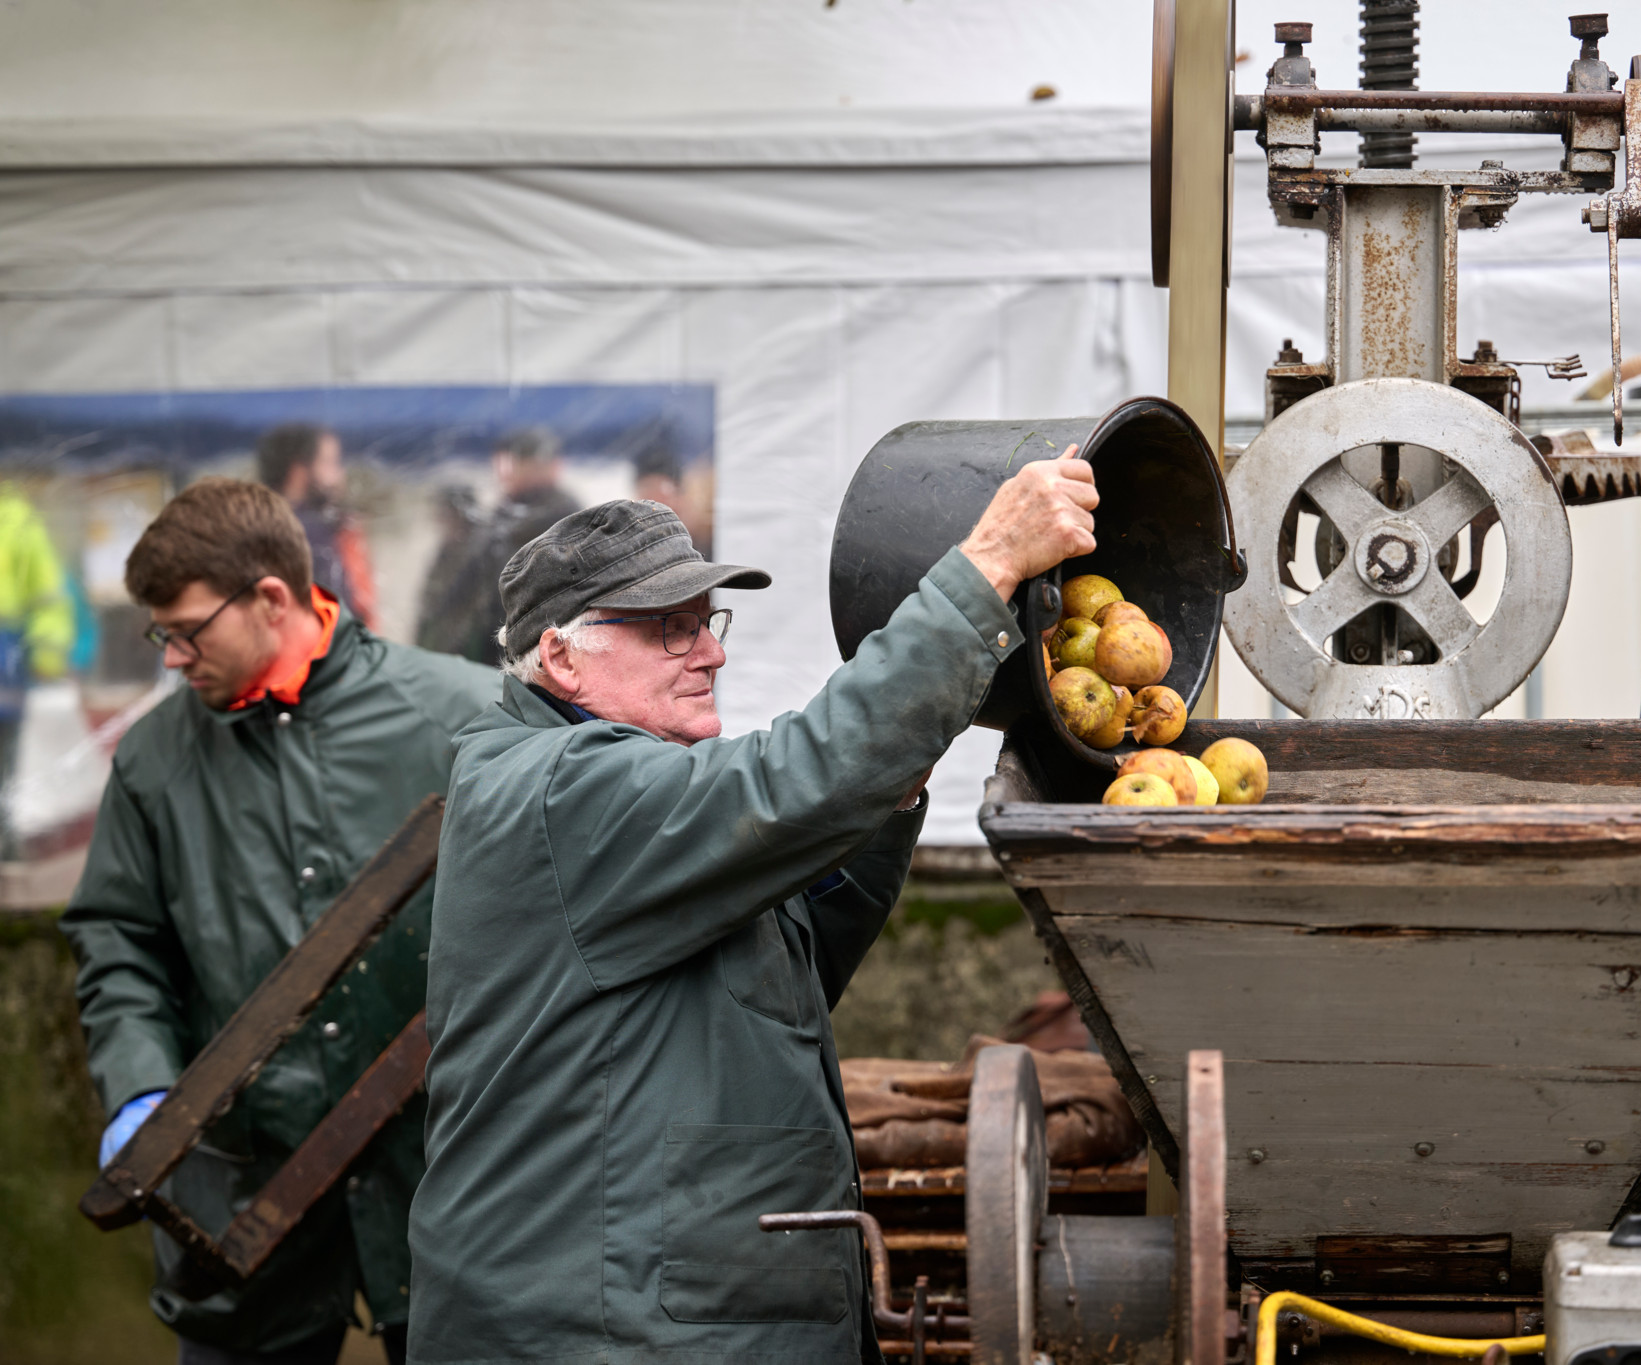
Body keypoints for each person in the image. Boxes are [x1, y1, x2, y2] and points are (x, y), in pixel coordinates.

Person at [407, 450, 1097, 1364]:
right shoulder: (558, 788)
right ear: (561, 655)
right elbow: (792, 781)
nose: (713, 651)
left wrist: (885, 783)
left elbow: (788, 973)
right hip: (595, 1335)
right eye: (667, 628)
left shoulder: (641, 805)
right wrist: (989, 567)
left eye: (706, 620)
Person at [61, 479, 501, 1365]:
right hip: (246, 1184)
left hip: (444, 1171)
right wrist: (142, 1089)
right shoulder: (154, 762)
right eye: (161, 635)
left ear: (271, 597)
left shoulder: (462, 717)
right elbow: (121, 943)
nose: (172, 658)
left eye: (186, 631)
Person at [431, 428, 580, 665]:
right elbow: (464, 594)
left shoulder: (564, 519)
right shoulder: (502, 517)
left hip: (537, 654)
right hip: (498, 650)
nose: (503, 473)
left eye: (515, 463)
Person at [0, 482, 75, 857]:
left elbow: (48, 598)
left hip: (5, 656)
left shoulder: (17, 519)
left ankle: (5, 848)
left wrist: (46, 658)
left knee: (4, 761)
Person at [254, 423, 380, 631]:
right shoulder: (305, 531)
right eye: (330, 463)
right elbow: (340, 617)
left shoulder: (261, 522)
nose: (340, 476)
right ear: (299, 471)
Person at [412, 485, 479, 656]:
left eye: (444, 514)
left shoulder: (475, 556)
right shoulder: (445, 553)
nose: (438, 520)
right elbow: (429, 607)